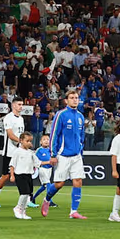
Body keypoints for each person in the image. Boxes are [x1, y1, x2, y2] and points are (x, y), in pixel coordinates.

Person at [45, 91, 88, 219]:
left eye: (76, 98)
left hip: (76, 156)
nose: (75, 100)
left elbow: (82, 136)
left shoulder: (80, 116)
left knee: (78, 181)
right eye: (72, 98)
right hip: (62, 155)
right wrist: (52, 154)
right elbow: (54, 135)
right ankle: (47, 199)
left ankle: (73, 211)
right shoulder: (61, 115)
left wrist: (81, 150)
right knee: (59, 183)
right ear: (66, 101)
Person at [0, 99, 25, 207]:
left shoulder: (21, 119)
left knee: (23, 175)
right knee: (5, 176)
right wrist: (21, 142)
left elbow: (22, 134)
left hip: (19, 151)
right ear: (13, 105)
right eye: (19, 104)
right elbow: (10, 135)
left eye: (22, 105)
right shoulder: (8, 118)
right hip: (9, 152)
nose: (21, 107)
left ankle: (26, 200)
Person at [9, 132, 37, 220]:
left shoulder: (31, 153)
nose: (29, 143)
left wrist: (49, 162)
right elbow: (12, 165)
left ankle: (23, 211)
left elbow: (38, 163)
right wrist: (12, 175)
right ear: (21, 141)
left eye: (30, 141)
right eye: (27, 141)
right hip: (20, 175)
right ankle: (18, 208)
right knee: (24, 193)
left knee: (28, 194)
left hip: (28, 174)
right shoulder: (17, 152)